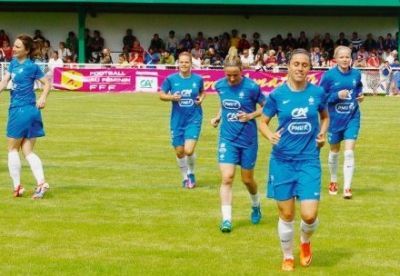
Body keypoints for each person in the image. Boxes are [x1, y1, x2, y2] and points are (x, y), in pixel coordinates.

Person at [259, 48, 329, 271]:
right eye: (296, 64)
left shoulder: (317, 93)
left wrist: (323, 133)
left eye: (304, 64)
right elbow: (263, 121)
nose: (300, 68)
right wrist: (269, 134)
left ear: (310, 68)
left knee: (309, 215)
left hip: (309, 160)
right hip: (282, 161)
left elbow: (325, 117)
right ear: (288, 66)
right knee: (287, 213)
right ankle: (288, 256)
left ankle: (305, 242)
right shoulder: (278, 95)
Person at [210, 56, 265, 233]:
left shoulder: (252, 87)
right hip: (228, 138)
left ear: (242, 70)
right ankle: (227, 220)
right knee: (227, 177)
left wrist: (250, 116)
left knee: (247, 180)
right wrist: (219, 116)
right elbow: (224, 105)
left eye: (235, 75)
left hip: (248, 140)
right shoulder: (219, 85)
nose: (231, 79)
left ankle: (256, 205)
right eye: (228, 75)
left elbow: (266, 107)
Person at [0, 34, 51, 199]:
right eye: (14, 46)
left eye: (18, 47)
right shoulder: (13, 64)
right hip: (31, 112)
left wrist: (43, 97)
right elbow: (4, 82)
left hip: (20, 110)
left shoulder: (31, 66)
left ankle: (17, 187)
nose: (14, 49)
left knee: (12, 149)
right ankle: (41, 183)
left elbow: (47, 84)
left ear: (27, 50)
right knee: (28, 151)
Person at [320, 46, 364, 199]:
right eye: (342, 57)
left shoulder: (356, 74)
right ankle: (333, 180)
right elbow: (321, 97)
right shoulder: (329, 76)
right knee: (334, 152)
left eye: (347, 57)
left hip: (352, 116)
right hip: (334, 119)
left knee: (349, 152)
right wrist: (337, 95)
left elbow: (358, 88)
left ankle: (347, 187)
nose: (345, 59)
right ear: (336, 59)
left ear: (351, 58)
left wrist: (360, 95)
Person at [159, 52, 205, 189]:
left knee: (189, 150)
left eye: (187, 62)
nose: (184, 64)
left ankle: (191, 173)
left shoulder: (198, 79)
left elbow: (202, 92)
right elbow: (161, 95)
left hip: (194, 118)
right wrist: (171, 97)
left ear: (191, 64)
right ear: (178, 63)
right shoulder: (171, 79)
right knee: (180, 152)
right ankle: (184, 177)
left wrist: (201, 98)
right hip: (177, 120)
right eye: (181, 62)